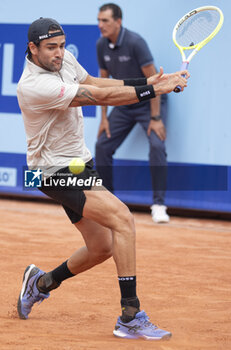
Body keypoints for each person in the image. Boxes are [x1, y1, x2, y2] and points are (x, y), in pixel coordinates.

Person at [16, 17, 188, 340]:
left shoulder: (63, 60)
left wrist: (147, 80)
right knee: (123, 218)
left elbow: (96, 81)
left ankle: (39, 283)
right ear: (32, 48)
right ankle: (130, 314)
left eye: (62, 46)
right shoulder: (34, 86)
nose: (59, 53)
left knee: (101, 247)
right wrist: (153, 89)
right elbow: (97, 96)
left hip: (80, 163)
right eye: (51, 47)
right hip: (52, 171)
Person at [95, 3, 169, 223]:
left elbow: (155, 83)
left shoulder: (136, 43)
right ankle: (109, 203)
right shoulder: (101, 45)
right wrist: (104, 119)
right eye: (99, 20)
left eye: (105, 21)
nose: (100, 25)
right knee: (102, 145)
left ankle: (158, 205)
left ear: (118, 21)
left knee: (157, 145)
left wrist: (155, 118)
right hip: (125, 103)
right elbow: (103, 84)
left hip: (150, 103)